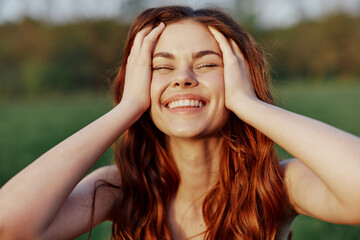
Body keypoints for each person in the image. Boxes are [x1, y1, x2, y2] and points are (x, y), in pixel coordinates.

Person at [0, 6, 359, 240]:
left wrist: (247, 104)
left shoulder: (275, 185)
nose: (183, 78)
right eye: (161, 66)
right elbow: (10, 226)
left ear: (240, 77)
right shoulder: (122, 188)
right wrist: (129, 108)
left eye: (206, 64)